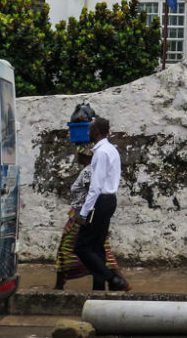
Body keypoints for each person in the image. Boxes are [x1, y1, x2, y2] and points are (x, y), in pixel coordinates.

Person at [54, 146, 130, 290]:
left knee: (72, 249)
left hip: (82, 216)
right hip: (86, 215)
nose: (77, 156)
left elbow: (92, 194)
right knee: (99, 250)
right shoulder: (93, 170)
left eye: (79, 154)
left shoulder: (88, 171)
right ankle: (107, 284)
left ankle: (118, 281)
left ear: (84, 156)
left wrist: (84, 215)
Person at [73, 117, 129, 291]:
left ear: (96, 132)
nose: (87, 132)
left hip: (100, 201)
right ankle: (98, 289)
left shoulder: (102, 152)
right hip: (108, 200)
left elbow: (95, 186)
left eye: (89, 129)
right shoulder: (111, 149)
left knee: (81, 246)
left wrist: (83, 213)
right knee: (97, 247)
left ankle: (114, 280)